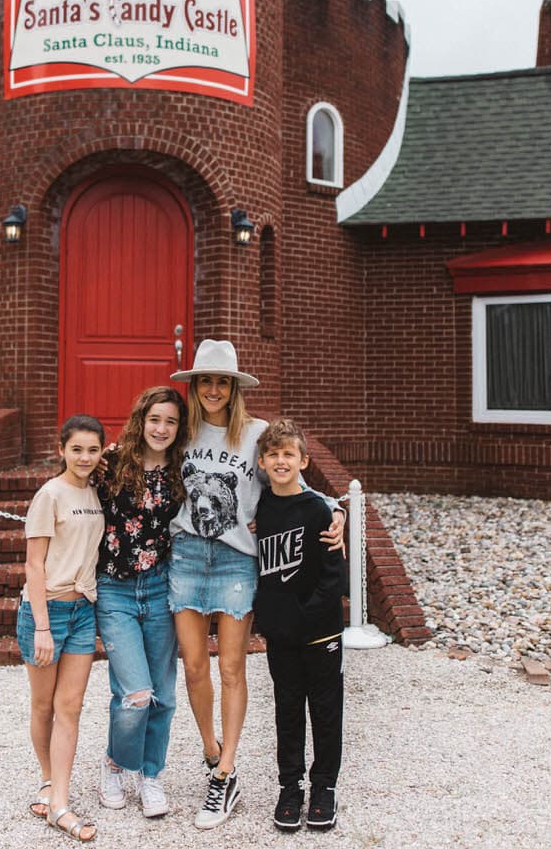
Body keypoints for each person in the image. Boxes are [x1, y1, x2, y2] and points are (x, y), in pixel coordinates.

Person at [167, 339, 345, 830]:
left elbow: (293, 481)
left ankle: (224, 776)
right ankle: (211, 752)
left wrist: (337, 511)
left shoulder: (256, 433)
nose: (214, 390)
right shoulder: (182, 430)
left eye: (222, 381)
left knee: (230, 669)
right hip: (184, 557)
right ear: (195, 386)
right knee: (195, 668)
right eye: (206, 380)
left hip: (236, 560)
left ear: (234, 387)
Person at [94, 385, 188, 819]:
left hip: (161, 588)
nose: (162, 428)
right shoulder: (112, 462)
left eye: (170, 421)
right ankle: (115, 763)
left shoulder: (185, 471)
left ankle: (151, 775)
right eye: (155, 419)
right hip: (115, 590)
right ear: (141, 420)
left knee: (164, 696)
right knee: (134, 693)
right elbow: (67, 488)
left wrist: (328, 508)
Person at [254, 418, 347, 833]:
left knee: (325, 711)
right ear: (261, 461)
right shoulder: (260, 508)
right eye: (273, 454)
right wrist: (273, 619)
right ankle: (290, 786)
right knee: (287, 710)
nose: (280, 460)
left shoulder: (320, 509)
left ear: (304, 460)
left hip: (320, 631)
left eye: (288, 453)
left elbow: (334, 574)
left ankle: (323, 787)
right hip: (280, 634)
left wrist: (308, 616)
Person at [17, 414, 106, 843]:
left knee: (70, 707)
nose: (84, 457)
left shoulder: (96, 493)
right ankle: (49, 781)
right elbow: (34, 564)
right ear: (61, 450)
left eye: (93, 449)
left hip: (83, 610)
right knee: (43, 706)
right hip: (46, 611)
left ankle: (60, 803)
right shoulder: (49, 495)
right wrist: (41, 628)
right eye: (77, 449)